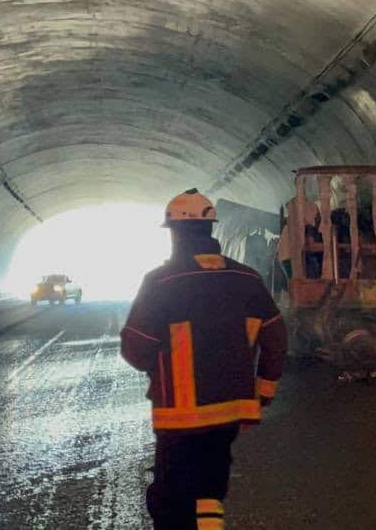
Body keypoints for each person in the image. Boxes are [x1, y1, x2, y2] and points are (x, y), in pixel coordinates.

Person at [121, 188, 287, 530]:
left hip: (180, 412)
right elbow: (276, 337)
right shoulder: (247, 278)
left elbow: (136, 348)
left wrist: (158, 365)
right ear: (211, 229)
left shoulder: (162, 281)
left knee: (171, 496)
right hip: (231, 409)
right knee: (210, 487)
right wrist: (264, 389)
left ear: (175, 233)